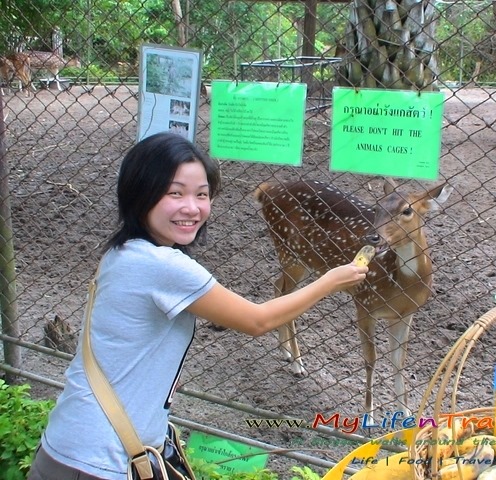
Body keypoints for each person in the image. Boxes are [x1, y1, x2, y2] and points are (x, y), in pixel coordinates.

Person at [27, 132, 368, 480]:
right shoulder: (163, 267)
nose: (192, 207)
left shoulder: (123, 251)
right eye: (175, 193)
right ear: (139, 192)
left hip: (69, 446)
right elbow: (257, 320)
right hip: (97, 461)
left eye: (202, 194)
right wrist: (331, 280)